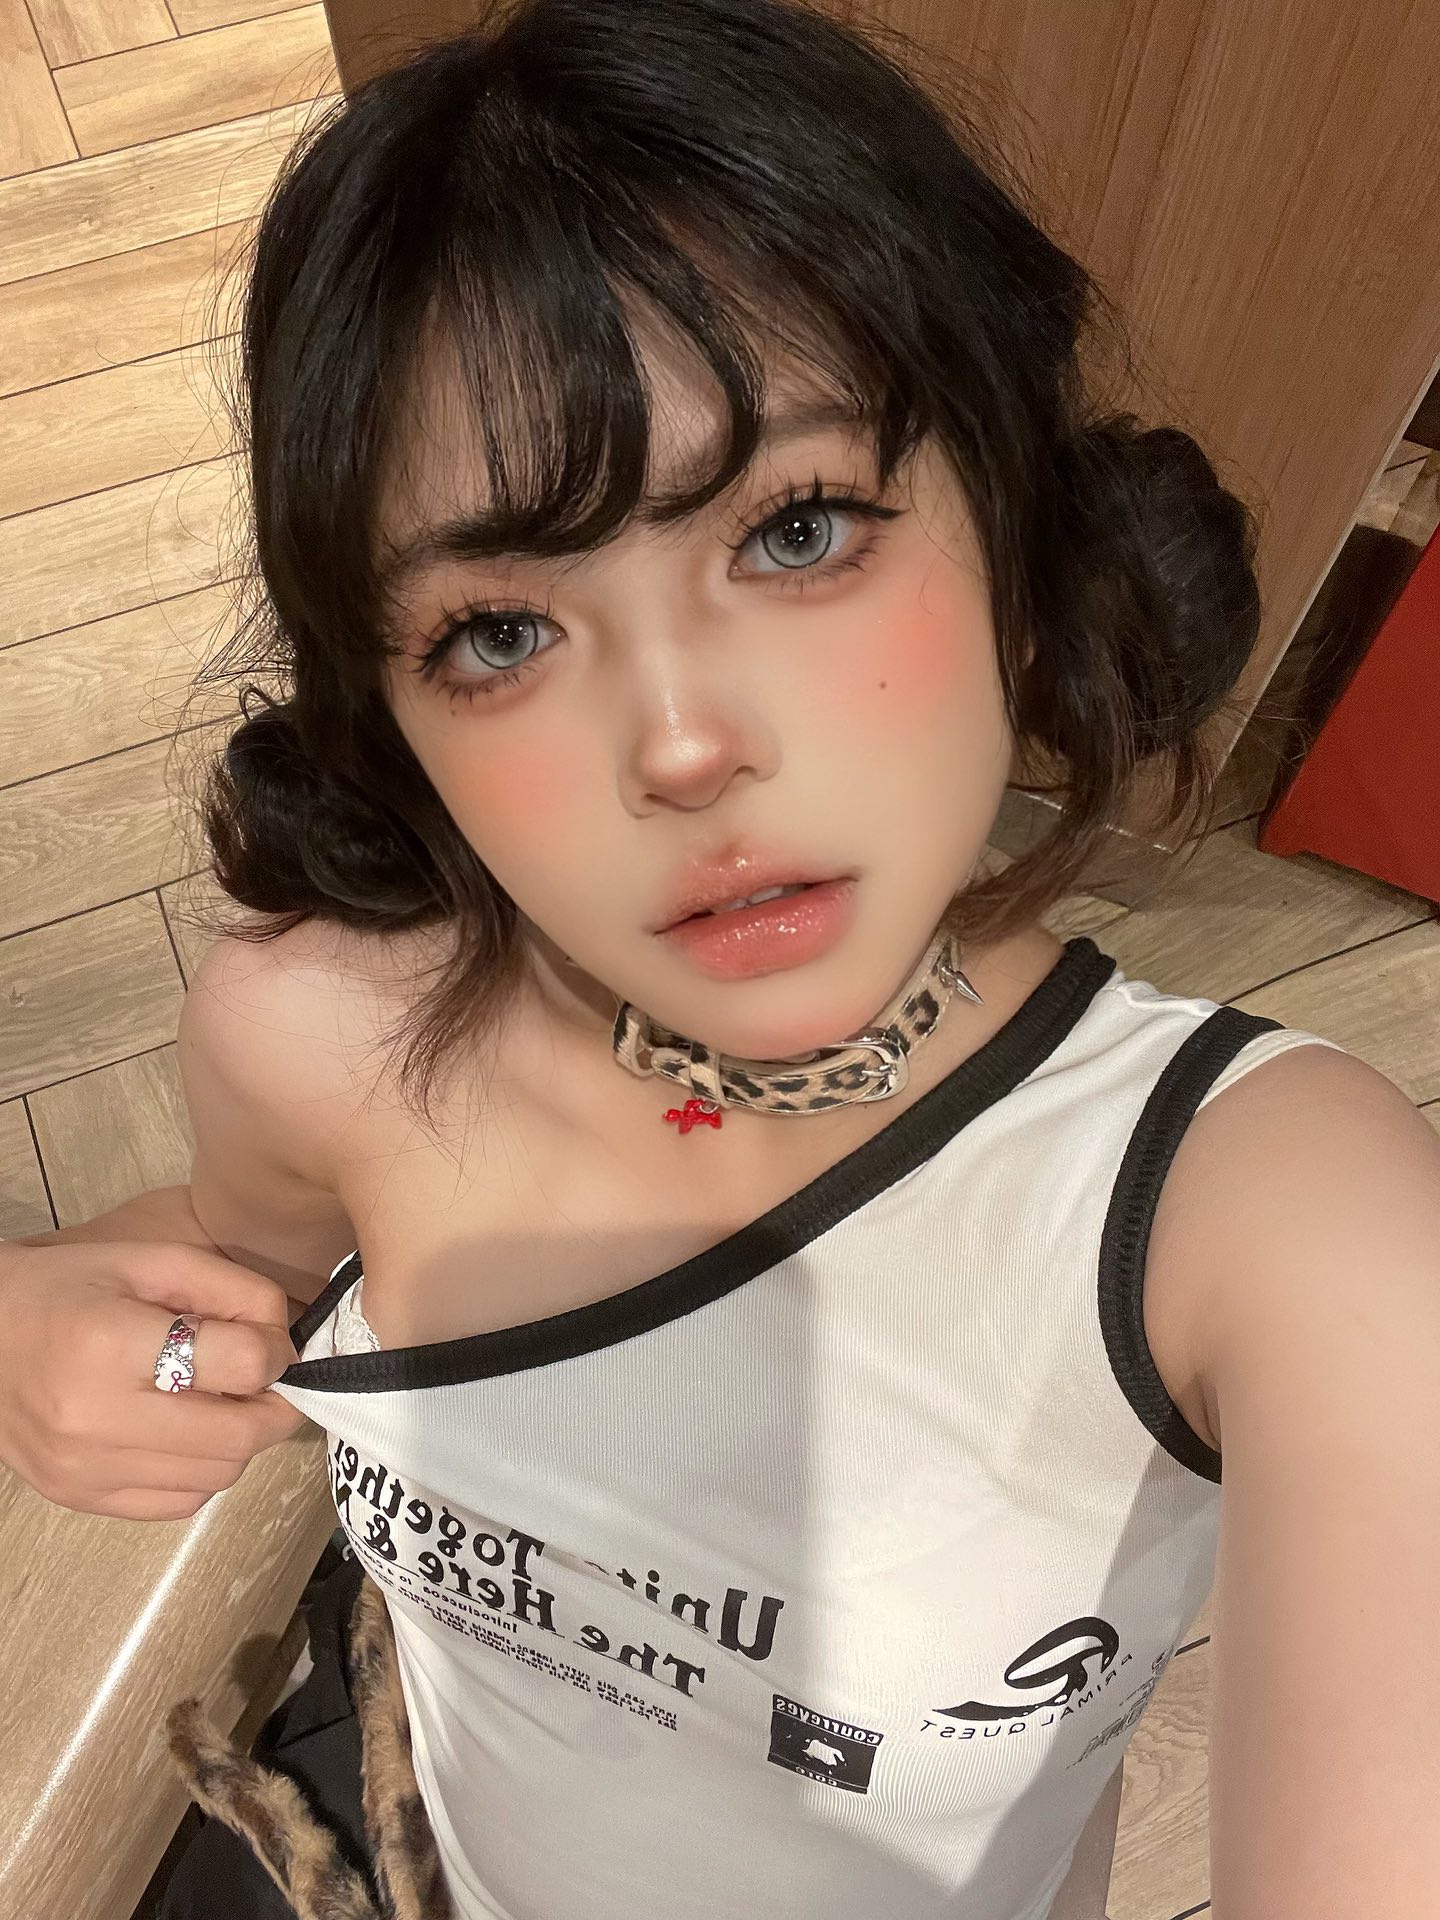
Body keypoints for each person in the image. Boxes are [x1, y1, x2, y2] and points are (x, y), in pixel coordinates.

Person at [3, 0, 1438, 1915]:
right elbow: (234, 1274)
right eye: (500, 633)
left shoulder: (1266, 1206)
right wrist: (41, 1316)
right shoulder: (317, 1030)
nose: (681, 746)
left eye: (801, 527)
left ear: (1019, 530)